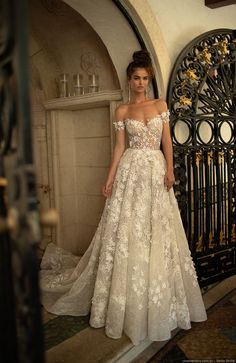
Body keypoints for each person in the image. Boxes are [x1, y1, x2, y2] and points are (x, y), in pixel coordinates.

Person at [40, 50, 207, 346]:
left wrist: (170, 170)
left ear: (149, 80)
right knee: (129, 230)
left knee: (156, 229)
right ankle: (127, 299)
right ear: (129, 80)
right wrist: (109, 178)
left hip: (155, 171)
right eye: (136, 78)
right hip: (130, 172)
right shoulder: (121, 111)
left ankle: (158, 300)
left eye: (145, 79)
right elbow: (119, 148)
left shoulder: (160, 105)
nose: (140, 83)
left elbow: (167, 142)